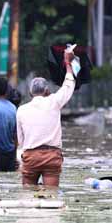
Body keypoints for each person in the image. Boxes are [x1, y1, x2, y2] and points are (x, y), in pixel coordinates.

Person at [16, 47, 76, 186]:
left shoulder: (21, 110)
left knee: (28, 197)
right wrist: (68, 63)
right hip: (51, 156)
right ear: (47, 91)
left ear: (30, 93)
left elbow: (20, 140)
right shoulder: (54, 102)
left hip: (30, 156)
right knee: (51, 197)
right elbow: (69, 85)